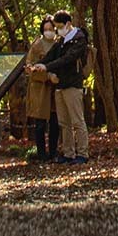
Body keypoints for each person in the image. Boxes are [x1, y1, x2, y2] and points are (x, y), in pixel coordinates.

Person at [32, 10, 89, 165]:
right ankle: (68, 153)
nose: (57, 30)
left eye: (59, 26)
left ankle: (83, 153)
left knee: (77, 121)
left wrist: (47, 66)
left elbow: (67, 59)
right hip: (60, 85)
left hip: (72, 84)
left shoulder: (78, 39)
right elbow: (52, 54)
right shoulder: (61, 41)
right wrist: (40, 65)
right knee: (64, 122)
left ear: (68, 24)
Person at [26, 15, 60, 161]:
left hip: (56, 88)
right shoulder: (37, 45)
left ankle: (53, 152)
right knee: (40, 123)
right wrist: (46, 76)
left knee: (55, 122)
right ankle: (41, 153)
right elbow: (30, 67)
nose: (48, 32)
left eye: (51, 29)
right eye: (45, 29)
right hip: (40, 89)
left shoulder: (59, 43)